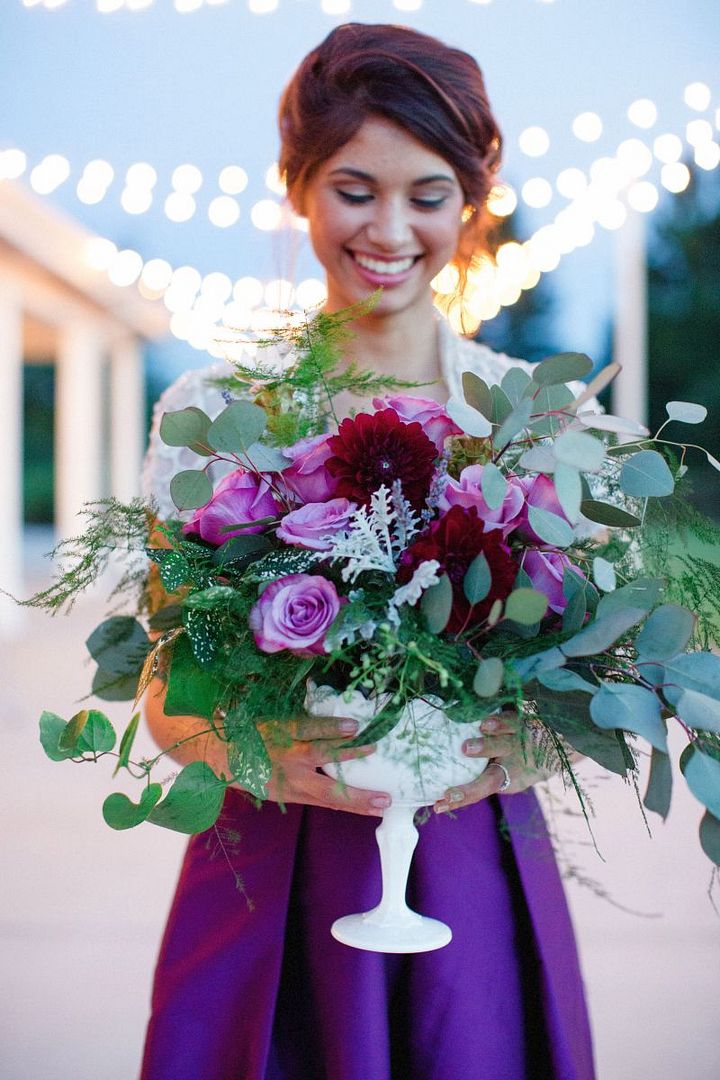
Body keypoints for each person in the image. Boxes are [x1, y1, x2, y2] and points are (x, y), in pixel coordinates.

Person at [140, 23, 595, 1080]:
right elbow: (167, 688)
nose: (389, 230)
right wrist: (253, 754)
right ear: (299, 185)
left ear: (471, 205)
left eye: (428, 196)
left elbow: (576, 680)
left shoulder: (530, 421)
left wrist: (540, 745)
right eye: (355, 188)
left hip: (468, 858)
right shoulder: (216, 414)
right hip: (270, 862)